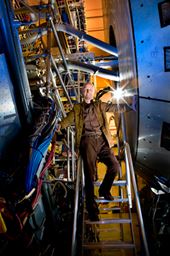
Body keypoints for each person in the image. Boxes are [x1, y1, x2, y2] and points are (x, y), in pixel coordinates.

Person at [57, 82, 134, 221]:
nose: (88, 92)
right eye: (86, 89)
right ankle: (92, 209)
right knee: (89, 174)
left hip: (102, 141)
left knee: (115, 166)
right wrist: (59, 125)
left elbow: (113, 107)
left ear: (93, 92)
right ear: (82, 92)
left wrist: (128, 107)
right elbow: (67, 121)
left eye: (90, 90)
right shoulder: (77, 108)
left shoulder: (99, 105)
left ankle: (104, 189)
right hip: (87, 141)